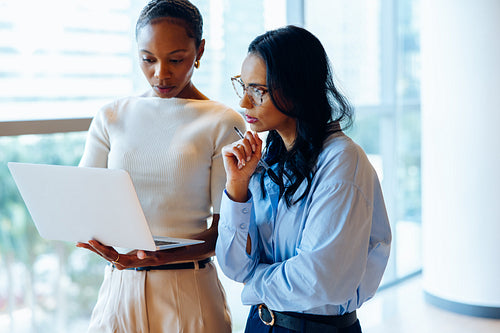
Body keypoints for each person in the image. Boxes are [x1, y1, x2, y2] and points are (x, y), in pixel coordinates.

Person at [76, 0, 245, 332]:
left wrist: (160, 256)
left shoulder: (222, 121)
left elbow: (229, 233)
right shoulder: (112, 116)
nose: (161, 74)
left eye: (176, 60)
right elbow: (82, 203)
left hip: (188, 290)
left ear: (200, 50)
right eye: (148, 59)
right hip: (118, 289)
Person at [215, 25, 392, 333]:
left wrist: (254, 283)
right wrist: (237, 188)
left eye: (259, 90)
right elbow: (234, 265)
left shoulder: (342, 161)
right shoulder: (265, 159)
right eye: (243, 87)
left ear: (297, 87)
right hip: (260, 322)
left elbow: (319, 280)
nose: (244, 103)